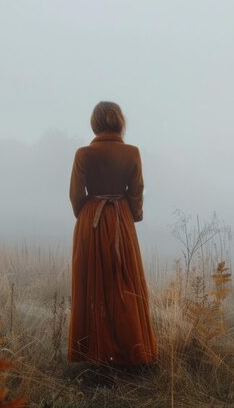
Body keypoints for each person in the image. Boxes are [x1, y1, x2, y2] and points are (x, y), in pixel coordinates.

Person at [68, 101, 157, 366]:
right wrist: (133, 216)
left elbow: (75, 196)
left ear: (95, 124)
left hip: (91, 223)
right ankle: (131, 354)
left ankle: (89, 356)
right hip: (121, 221)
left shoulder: (83, 154)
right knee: (125, 284)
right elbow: (136, 193)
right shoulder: (132, 153)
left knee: (91, 286)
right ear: (120, 122)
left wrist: (86, 215)